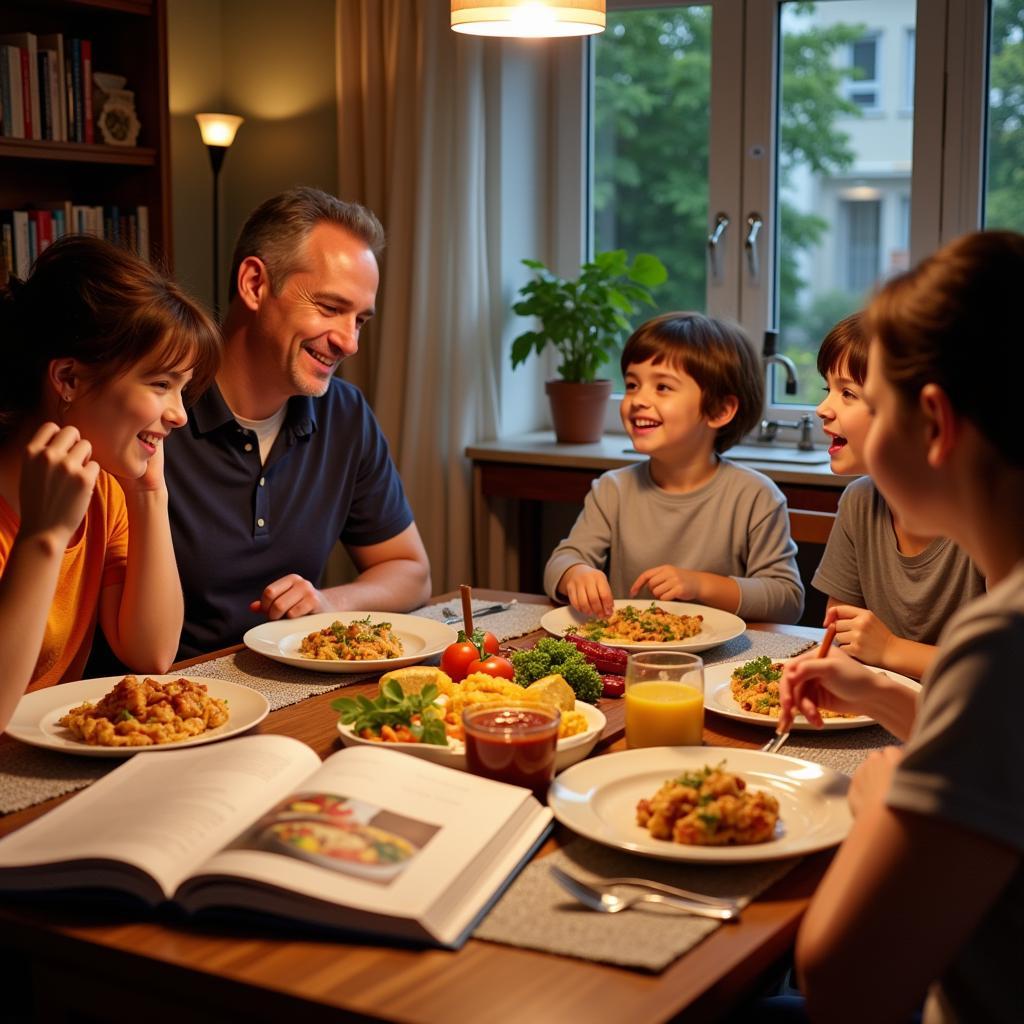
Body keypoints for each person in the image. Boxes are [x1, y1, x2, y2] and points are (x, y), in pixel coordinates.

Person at [778, 230, 1024, 1023]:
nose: (846, 420)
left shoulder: (1002, 643)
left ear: (935, 423)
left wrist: (881, 801)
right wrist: (879, 689)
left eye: (871, 405)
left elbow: (843, 979)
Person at [164, 187, 431, 658]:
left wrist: (330, 602)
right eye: (330, 308)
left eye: (360, 320)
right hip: (167, 700)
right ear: (253, 284)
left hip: (297, 691)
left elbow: (410, 571)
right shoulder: (158, 412)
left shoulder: (344, 413)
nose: (349, 343)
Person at [0, 235, 220, 732]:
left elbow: (152, 653)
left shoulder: (104, 491)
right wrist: (43, 536)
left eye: (182, 390)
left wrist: (149, 493)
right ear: (69, 379)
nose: (180, 415)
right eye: (161, 384)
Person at [543, 312, 804, 624]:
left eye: (663, 387)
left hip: (721, 662)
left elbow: (787, 598)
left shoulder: (756, 496)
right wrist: (576, 573)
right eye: (632, 384)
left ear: (720, 410)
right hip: (628, 657)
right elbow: (561, 561)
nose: (638, 399)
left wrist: (701, 584)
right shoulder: (612, 489)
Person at [812, 312, 985, 678]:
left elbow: (1005, 672)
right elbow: (839, 636)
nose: (822, 409)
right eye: (826, 390)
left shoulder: (990, 519)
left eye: (847, 393)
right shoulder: (859, 501)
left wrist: (890, 649)